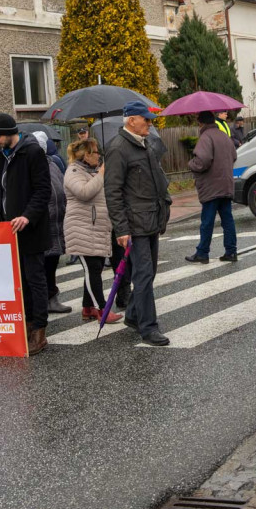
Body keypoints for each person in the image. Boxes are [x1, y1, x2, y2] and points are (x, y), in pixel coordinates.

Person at [0, 114, 52, 355]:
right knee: (21, 282)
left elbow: (42, 190)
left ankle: (39, 331)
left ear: (10, 132)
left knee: (35, 280)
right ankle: (27, 324)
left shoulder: (32, 152)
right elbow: (9, 188)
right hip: (9, 230)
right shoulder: (4, 154)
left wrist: (27, 216)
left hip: (30, 229)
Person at [104, 101, 173, 346]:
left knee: (149, 272)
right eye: (146, 119)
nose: (149, 123)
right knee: (143, 275)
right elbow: (113, 191)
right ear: (131, 120)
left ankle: (133, 315)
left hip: (150, 219)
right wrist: (121, 228)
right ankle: (148, 327)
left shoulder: (144, 145)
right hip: (135, 223)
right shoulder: (118, 148)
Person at [64, 139, 123, 324]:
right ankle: (102, 310)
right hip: (81, 228)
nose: (99, 155)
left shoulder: (92, 171)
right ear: (86, 154)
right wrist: (102, 174)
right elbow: (83, 192)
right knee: (92, 270)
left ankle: (87, 307)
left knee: (94, 268)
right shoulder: (73, 171)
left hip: (95, 228)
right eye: (96, 152)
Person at [186, 111, 238, 264]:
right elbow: (234, 155)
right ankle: (231, 251)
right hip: (226, 184)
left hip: (211, 186)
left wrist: (191, 164)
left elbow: (203, 161)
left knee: (207, 221)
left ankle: (202, 253)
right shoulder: (224, 136)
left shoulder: (205, 137)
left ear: (200, 122)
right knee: (228, 220)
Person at [30, 132, 71, 314]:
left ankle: (52, 298)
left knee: (52, 263)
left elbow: (61, 187)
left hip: (56, 223)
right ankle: (41, 302)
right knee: (41, 267)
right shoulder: (29, 167)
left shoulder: (52, 164)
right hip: (42, 225)